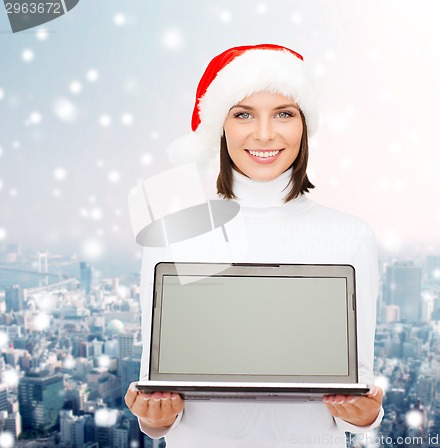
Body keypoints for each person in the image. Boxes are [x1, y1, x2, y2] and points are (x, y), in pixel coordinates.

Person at [125, 44, 384, 447]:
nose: (264, 133)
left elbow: (357, 391)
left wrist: (367, 416)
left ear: (305, 125)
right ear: (220, 128)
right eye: (243, 114)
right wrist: (155, 419)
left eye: (284, 113)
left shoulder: (350, 235)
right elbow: (161, 391)